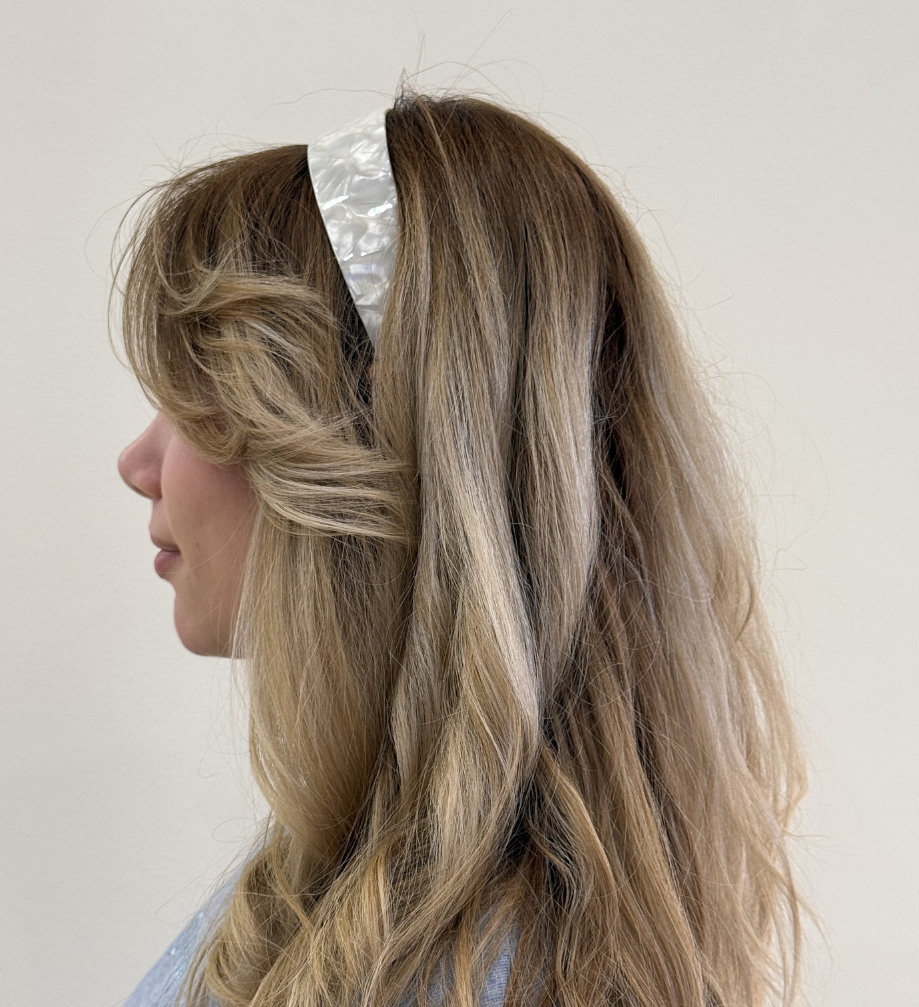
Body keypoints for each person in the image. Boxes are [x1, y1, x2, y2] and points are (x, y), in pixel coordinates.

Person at [115, 89, 807, 1007]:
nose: (138, 464)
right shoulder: (350, 895)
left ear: (366, 443)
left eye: (194, 400)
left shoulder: (471, 972)